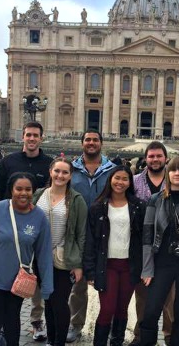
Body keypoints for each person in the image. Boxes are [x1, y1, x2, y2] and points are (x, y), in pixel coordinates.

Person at [0, 172, 53, 346]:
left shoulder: (39, 218)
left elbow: (44, 254)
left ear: (33, 191)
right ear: (11, 190)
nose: (23, 193)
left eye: (28, 189)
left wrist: (47, 285)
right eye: (19, 189)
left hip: (18, 281)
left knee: (12, 319)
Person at [0, 121, 53, 341]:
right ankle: (3, 322)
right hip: (10, 229)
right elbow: (0, 194)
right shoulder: (8, 162)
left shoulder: (49, 164)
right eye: (28, 135)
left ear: (41, 137)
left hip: (37, 229)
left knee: (35, 277)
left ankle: (37, 321)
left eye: (35, 135)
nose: (31, 139)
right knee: (6, 275)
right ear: (23, 137)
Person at [83, 166, 146, 346]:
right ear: (110, 179)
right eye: (117, 178)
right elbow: (91, 241)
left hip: (129, 265)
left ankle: (116, 342)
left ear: (130, 182)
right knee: (107, 308)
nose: (120, 182)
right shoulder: (97, 207)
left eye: (125, 179)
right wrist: (90, 271)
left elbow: (143, 239)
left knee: (122, 309)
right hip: (107, 265)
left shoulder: (139, 206)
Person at [139, 156, 179, 346]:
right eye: (173, 170)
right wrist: (147, 268)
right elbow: (147, 237)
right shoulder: (155, 200)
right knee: (151, 312)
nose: (177, 173)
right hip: (162, 263)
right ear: (167, 173)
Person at [67, 130, 116, 343]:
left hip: (106, 233)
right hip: (77, 232)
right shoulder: (71, 169)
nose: (91, 143)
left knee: (110, 282)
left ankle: (111, 325)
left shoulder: (113, 170)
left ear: (101, 143)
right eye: (87, 140)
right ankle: (75, 323)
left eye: (95, 139)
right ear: (82, 143)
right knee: (77, 283)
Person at [32, 158, 88, 346]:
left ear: (71, 175)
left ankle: (59, 342)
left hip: (63, 258)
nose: (60, 175)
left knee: (59, 302)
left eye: (65, 172)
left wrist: (78, 264)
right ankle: (51, 339)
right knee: (48, 300)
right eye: (57, 171)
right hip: (40, 258)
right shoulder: (39, 194)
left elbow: (81, 234)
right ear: (50, 171)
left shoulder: (77, 200)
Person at [131, 142, 173, 346]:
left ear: (166, 158)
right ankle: (141, 336)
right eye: (151, 156)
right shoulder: (134, 181)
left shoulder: (176, 180)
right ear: (145, 159)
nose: (155, 159)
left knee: (170, 299)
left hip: (170, 249)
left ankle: (170, 336)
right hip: (141, 247)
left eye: (159, 156)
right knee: (143, 297)